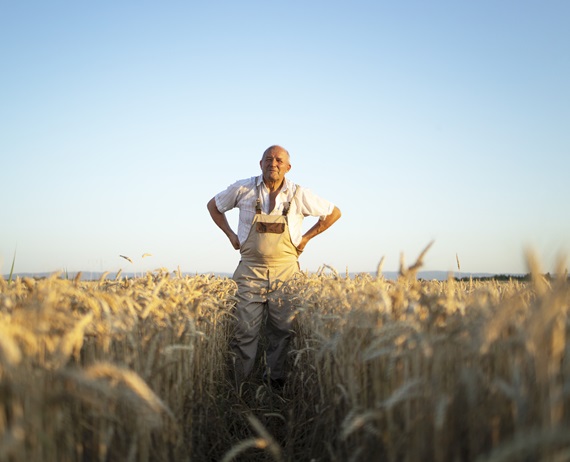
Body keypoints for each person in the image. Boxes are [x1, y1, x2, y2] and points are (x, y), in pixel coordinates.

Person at [207, 145, 341, 390]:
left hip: (286, 273)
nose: (274, 163)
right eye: (268, 159)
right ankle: (242, 387)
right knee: (244, 331)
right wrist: (230, 235)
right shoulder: (243, 188)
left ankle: (275, 385)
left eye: (279, 160)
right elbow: (213, 206)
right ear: (260, 164)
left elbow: (333, 213)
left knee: (282, 331)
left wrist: (306, 238)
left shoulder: (299, 194)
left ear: (288, 167)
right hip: (250, 271)